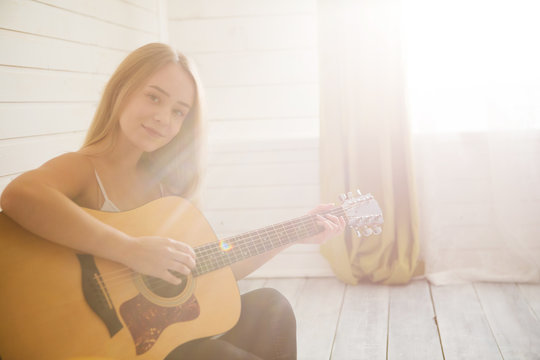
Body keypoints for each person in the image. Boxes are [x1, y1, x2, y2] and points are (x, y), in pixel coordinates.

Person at [0, 43, 345, 359]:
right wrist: (130, 249)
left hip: (155, 339)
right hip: (100, 345)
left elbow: (207, 270)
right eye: (154, 97)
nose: (164, 118)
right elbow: (20, 196)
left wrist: (292, 235)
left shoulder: (166, 194)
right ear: (122, 90)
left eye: (179, 111)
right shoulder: (86, 169)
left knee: (272, 305)